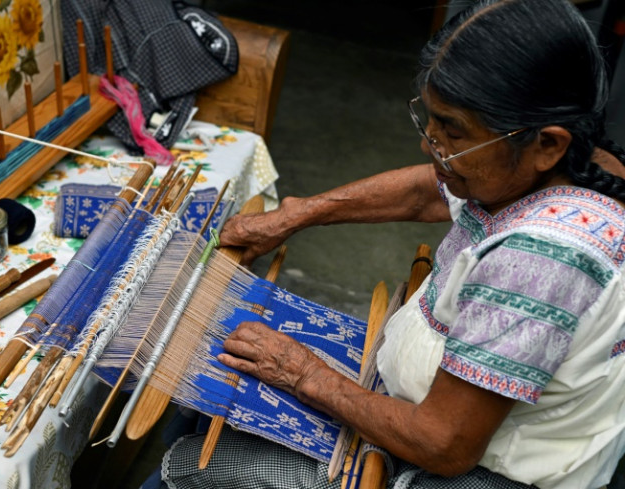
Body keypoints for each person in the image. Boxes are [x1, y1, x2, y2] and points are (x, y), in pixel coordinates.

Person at [146, 0, 625, 487]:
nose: (429, 144)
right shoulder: (569, 167)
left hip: (485, 470)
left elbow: (444, 443)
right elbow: (425, 191)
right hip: (442, 409)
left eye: (452, 131)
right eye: (429, 121)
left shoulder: (541, 261)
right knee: (211, 397)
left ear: (547, 144)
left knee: (202, 463)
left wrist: (302, 374)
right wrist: (295, 215)